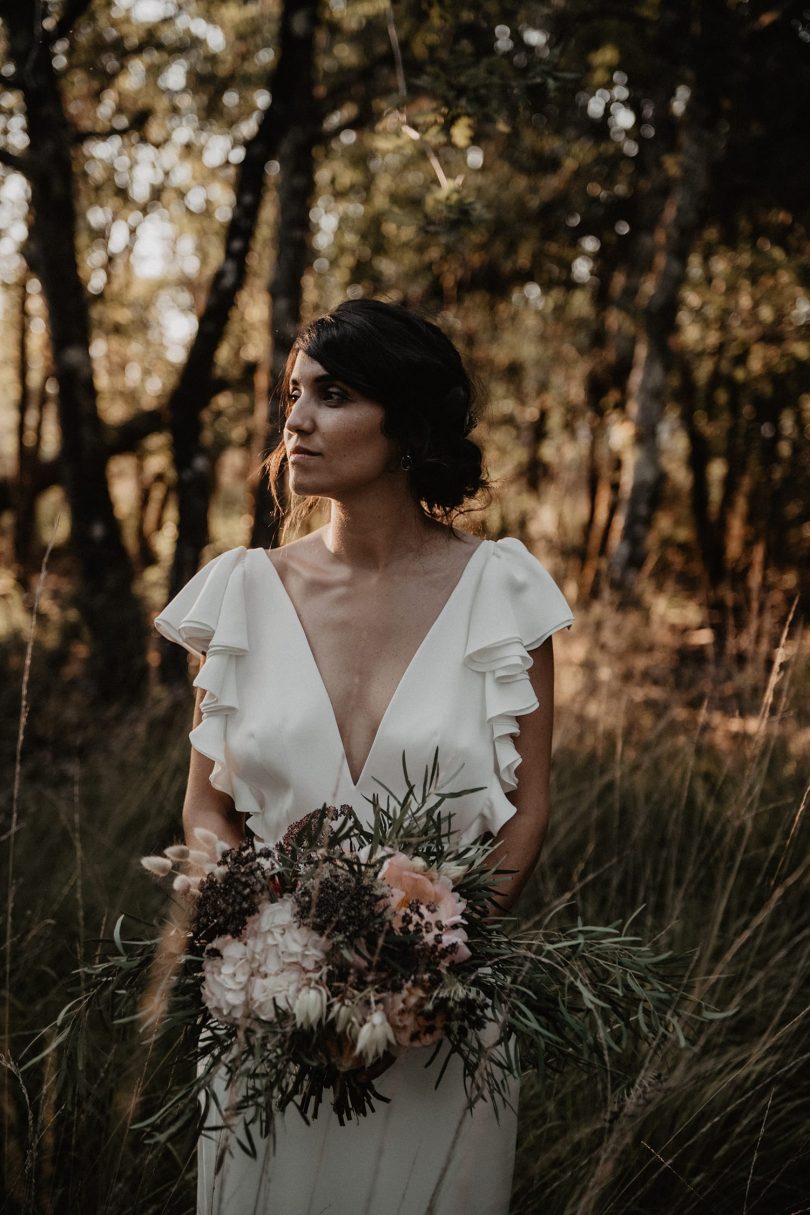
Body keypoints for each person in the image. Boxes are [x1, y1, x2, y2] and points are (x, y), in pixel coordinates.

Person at [155, 298, 573, 1215]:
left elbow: (529, 807)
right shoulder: (242, 592)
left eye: (332, 394)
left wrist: (427, 973)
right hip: (266, 1024)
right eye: (295, 393)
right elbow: (204, 811)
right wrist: (267, 948)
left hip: (439, 1031)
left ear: (407, 422)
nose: (295, 420)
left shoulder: (502, 594)